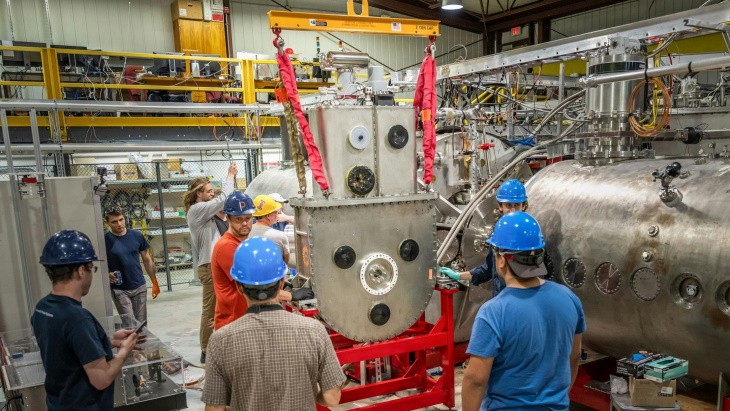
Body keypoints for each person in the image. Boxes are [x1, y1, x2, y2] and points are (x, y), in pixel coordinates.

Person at [202, 237, 346, 410]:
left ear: (239, 287)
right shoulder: (315, 331)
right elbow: (332, 398)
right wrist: (309, 393)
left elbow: (214, 408)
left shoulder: (220, 341)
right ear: (281, 283)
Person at [461, 212, 585, 411]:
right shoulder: (569, 299)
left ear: (502, 260)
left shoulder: (493, 312)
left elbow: (476, 379)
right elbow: (574, 355)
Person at [31, 230, 139, 411]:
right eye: (91, 268)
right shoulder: (77, 318)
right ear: (81, 271)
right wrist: (124, 351)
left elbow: (65, 350)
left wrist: (107, 342)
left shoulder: (43, 308)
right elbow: (101, 379)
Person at [440, 179, 552, 296]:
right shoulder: (498, 234)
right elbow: (488, 270)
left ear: (523, 206)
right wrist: (458, 275)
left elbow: (538, 275)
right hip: (500, 297)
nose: (512, 210)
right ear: (500, 206)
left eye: (517, 205)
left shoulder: (531, 233)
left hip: (523, 299)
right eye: (508, 205)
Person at [183, 163, 237, 364]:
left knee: (225, 306)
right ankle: (206, 349)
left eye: (213, 190)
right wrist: (230, 175)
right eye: (208, 191)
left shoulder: (210, 213)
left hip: (221, 265)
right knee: (211, 310)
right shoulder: (196, 210)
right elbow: (224, 199)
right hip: (209, 267)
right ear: (198, 194)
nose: (212, 193)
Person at [104, 207, 160, 325]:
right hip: (119, 289)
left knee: (141, 324)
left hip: (139, 286)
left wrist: (154, 282)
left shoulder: (136, 235)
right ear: (107, 222)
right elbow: (99, 262)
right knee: (130, 325)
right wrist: (106, 273)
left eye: (121, 219)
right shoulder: (104, 240)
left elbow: (147, 259)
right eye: (114, 222)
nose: (119, 224)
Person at [250, 194, 290, 263]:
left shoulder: (244, 233)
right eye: (275, 212)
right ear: (268, 215)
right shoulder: (280, 236)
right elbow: (285, 260)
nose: (277, 213)